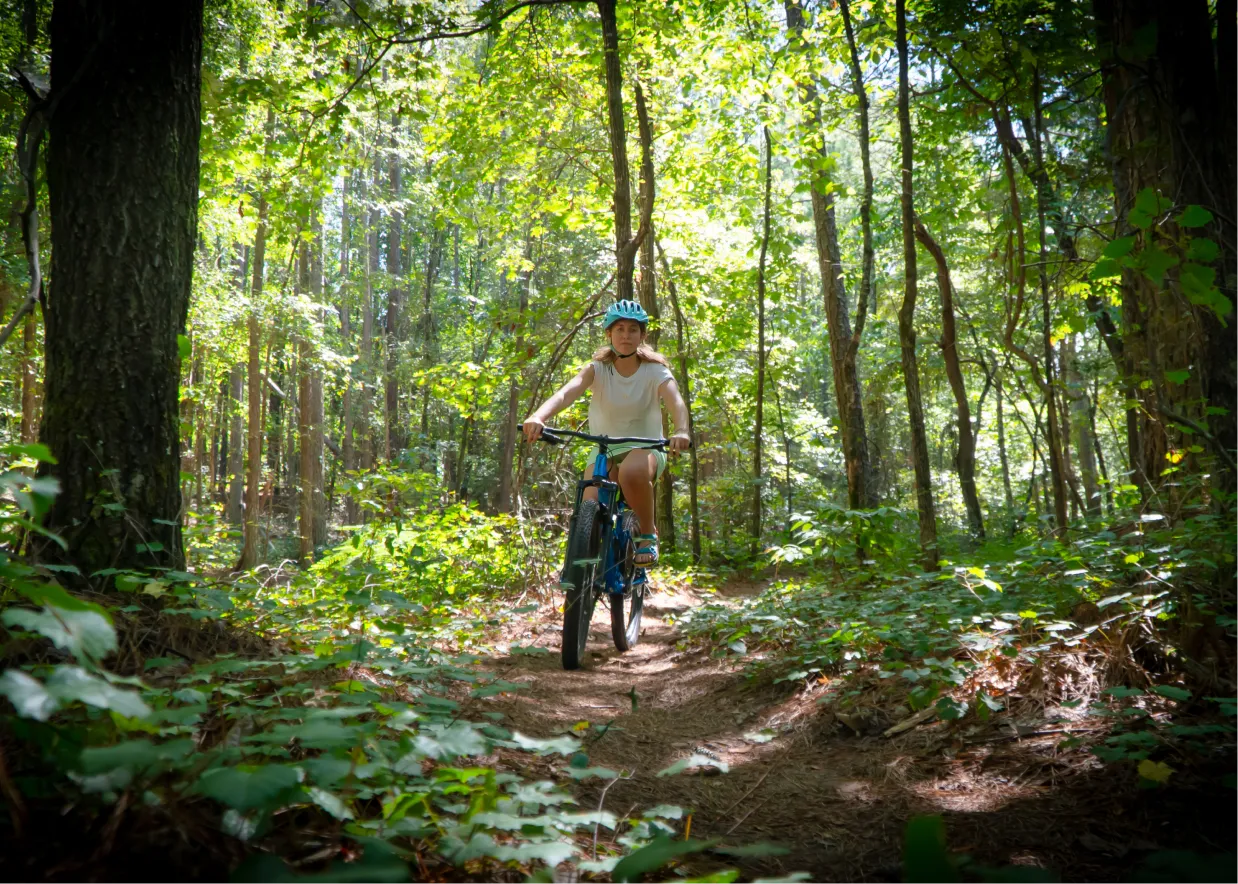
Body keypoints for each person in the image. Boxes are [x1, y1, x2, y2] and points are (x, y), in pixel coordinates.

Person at [522, 299, 691, 566]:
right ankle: (581, 579)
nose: (626, 335)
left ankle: (647, 533)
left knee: (631, 472)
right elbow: (567, 392)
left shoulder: (655, 371)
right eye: (620, 329)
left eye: (633, 329)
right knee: (589, 503)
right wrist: (538, 416)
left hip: (646, 448)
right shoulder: (597, 369)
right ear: (609, 333)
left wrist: (681, 430)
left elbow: (676, 402)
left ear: (642, 335)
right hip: (604, 450)